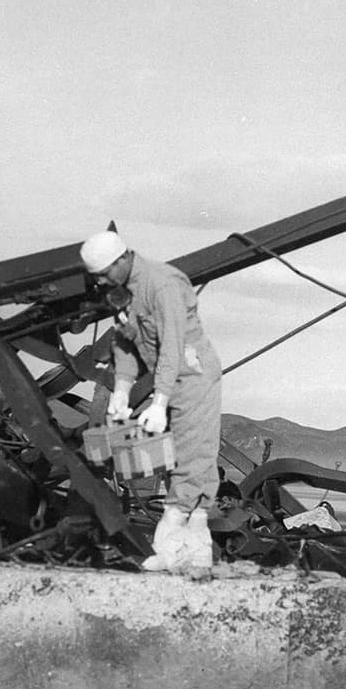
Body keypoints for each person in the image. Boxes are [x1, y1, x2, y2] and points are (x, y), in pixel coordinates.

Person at [79, 229, 222, 570]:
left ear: (121, 260)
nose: (99, 283)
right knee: (178, 459)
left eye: (103, 274)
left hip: (192, 375)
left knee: (191, 455)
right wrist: (122, 388)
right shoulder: (120, 290)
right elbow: (125, 342)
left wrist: (159, 402)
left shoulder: (162, 285)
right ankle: (193, 552)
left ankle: (171, 546)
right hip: (167, 376)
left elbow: (172, 346)